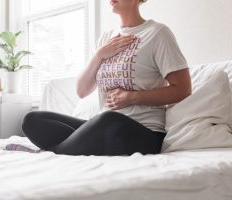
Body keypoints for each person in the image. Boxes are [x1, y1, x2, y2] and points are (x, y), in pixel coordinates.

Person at [22, 0, 192, 156]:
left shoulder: (157, 33)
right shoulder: (106, 38)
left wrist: (133, 97)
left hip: (144, 132)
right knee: (33, 120)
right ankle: (67, 149)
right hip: (103, 128)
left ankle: (55, 153)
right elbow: (81, 91)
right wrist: (99, 55)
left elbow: (183, 89)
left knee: (108, 119)